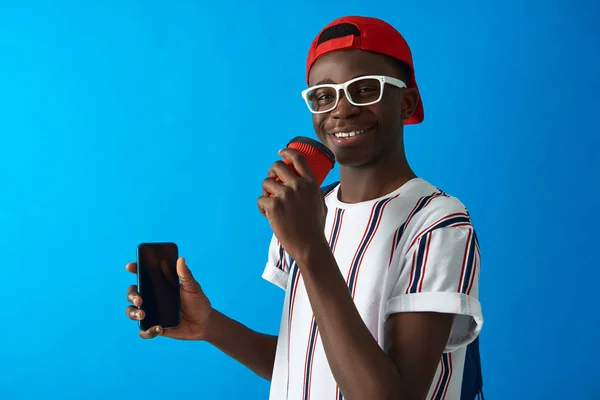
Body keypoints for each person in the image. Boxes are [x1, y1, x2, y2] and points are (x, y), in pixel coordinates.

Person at [125, 15, 484, 400]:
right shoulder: (308, 209)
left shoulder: (437, 223)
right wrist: (211, 326)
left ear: (407, 101)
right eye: (324, 95)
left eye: (365, 90)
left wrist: (311, 247)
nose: (341, 111)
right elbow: (309, 363)